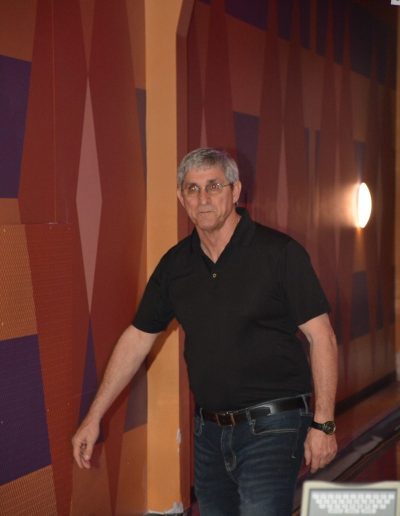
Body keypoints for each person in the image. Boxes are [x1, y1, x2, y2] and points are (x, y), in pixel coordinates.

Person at [72, 148, 338, 516]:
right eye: (192, 189)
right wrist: (93, 417)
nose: (203, 198)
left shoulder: (279, 253)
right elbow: (137, 338)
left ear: (235, 190)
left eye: (214, 186)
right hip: (209, 432)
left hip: (275, 424)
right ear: (181, 198)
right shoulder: (175, 266)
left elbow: (322, 337)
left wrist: (323, 424)